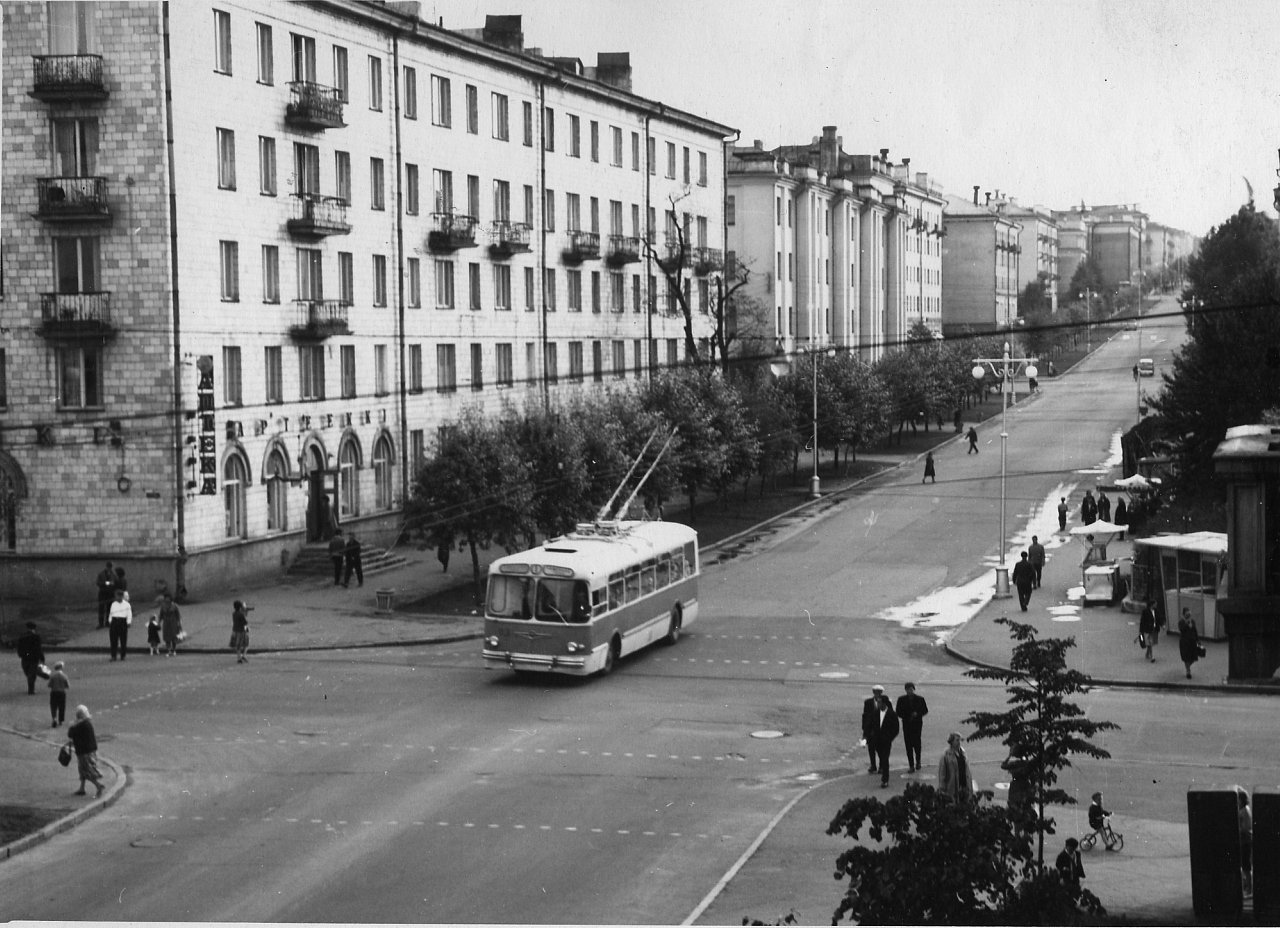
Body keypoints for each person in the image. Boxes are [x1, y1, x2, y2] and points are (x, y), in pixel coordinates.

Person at [65, 704, 105, 798]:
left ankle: (99, 786)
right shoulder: (86, 723)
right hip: (88, 750)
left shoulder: (81, 725)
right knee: (82, 770)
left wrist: (71, 726)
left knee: (86, 771)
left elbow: (70, 734)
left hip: (84, 751)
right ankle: (82, 788)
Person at [867, 692, 899, 788]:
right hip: (876, 741)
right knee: (881, 757)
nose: (878, 704)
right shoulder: (875, 713)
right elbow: (870, 725)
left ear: (884, 703)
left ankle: (885, 780)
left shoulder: (892, 714)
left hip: (886, 741)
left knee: (885, 759)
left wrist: (889, 738)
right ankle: (883, 772)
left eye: (880, 702)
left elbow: (896, 729)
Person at [895, 682, 928, 773]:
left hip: (917, 725)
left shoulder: (920, 699)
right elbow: (898, 711)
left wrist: (917, 714)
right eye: (908, 689)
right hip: (907, 724)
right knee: (908, 745)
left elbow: (925, 710)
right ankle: (911, 765)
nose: (910, 691)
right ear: (905, 690)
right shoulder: (901, 699)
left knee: (917, 744)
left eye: (911, 689)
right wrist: (907, 715)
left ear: (914, 689)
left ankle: (918, 761)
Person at [936, 732, 973, 802]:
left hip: (964, 784)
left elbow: (967, 770)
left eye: (960, 740)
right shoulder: (946, 755)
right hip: (952, 785)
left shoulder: (963, 752)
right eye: (957, 740)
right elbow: (942, 773)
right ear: (951, 742)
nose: (959, 742)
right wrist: (942, 788)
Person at [861, 685, 886, 775]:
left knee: (880, 749)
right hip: (870, 729)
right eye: (876, 692)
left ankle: (882, 766)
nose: (877, 694)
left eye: (879, 692)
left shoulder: (885, 702)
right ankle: (873, 765)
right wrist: (864, 728)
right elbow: (865, 715)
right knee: (871, 748)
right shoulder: (868, 702)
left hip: (880, 729)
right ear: (873, 693)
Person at [16, 621, 44, 695]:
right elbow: (39, 648)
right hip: (33, 658)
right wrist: (42, 658)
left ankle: (31, 687)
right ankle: (31, 690)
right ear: (34, 628)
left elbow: (19, 647)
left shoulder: (22, 636)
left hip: (25, 658)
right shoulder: (36, 637)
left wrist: (20, 655)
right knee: (32, 674)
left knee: (27, 672)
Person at [107, 588, 132, 661]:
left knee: (123, 640)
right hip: (114, 621)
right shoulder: (113, 604)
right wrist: (110, 621)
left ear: (122, 596)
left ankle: (123, 655)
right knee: (113, 640)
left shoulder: (127, 604)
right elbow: (111, 613)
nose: (118, 598)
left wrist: (128, 622)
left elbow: (129, 613)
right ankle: (113, 655)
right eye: (117, 596)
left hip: (122, 621)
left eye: (120, 596)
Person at [158, 591, 182, 656]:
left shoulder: (174, 606)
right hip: (166, 623)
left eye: (168, 598)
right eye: (166, 598)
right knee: (167, 637)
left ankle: (174, 650)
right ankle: (168, 650)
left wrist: (179, 623)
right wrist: (159, 623)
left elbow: (178, 615)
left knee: (174, 637)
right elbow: (160, 615)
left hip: (173, 623)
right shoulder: (163, 606)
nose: (167, 599)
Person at [1178, 607, 1201, 679]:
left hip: (1192, 641)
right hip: (1184, 642)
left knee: (1193, 657)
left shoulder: (1192, 621)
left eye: (1189, 612)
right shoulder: (1181, 621)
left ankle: (1188, 667)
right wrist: (1187, 624)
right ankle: (1188, 671)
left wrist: (1198, 640)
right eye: (1187, 612)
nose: (1189, 614)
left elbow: (1195, 630)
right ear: (1184, 614)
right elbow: (1181, 630)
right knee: (1186, 657)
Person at [1239, 789, 1253, 897]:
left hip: (1246, 841)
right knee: (1244, 865)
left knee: (1246, 867)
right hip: (1244, 841)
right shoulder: (1243, 809)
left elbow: (1245, 828)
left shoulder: (1244, 810)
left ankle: (1249, 890)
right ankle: (1246, 886)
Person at [48, 661, 70, 727]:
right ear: (61, 668)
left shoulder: (53, 676)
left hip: (54, 692)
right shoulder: (64, 676)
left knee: (53, 706)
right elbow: (67, 686)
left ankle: (54, 718)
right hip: (62, 692)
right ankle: (60, 720)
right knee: (62, 706)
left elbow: (49, 685)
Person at [95, 561, 116, 628]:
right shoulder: (101, 574)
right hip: (102, 593)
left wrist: (113, 584)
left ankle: (107, 622)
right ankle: (101, 623)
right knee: (101, 608)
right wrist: (107, 583)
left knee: (109, 608)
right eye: (108, 567)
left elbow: (115, 582)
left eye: (110, 567)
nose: (109, 568)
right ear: (106, 567)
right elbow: (98, 583)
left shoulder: (113, 574)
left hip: (110, 593)